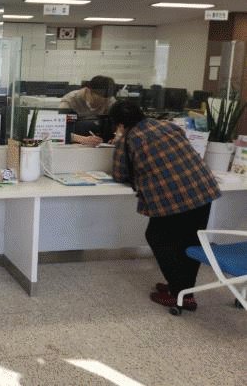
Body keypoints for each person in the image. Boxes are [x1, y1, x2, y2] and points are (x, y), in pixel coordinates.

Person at [109, 100, 221, 311]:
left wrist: (119, 142)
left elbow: (119, 174)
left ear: (120, 124)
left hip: (171, 196)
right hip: (203, 189)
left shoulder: (128, 139)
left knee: (157, 237)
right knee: (190, 242)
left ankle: (179, 293)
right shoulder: (168, 125)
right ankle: (184, 290)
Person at [60, 75, 116, 146]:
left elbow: (118, 126)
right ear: (88, 91)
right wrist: (81, 139)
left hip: (101, 143)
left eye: (105, 101)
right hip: (75, 144)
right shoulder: (70, 100)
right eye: (97, 100)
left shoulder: (110, 101)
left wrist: (116, 137)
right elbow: (60, 131)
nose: (100, 105)